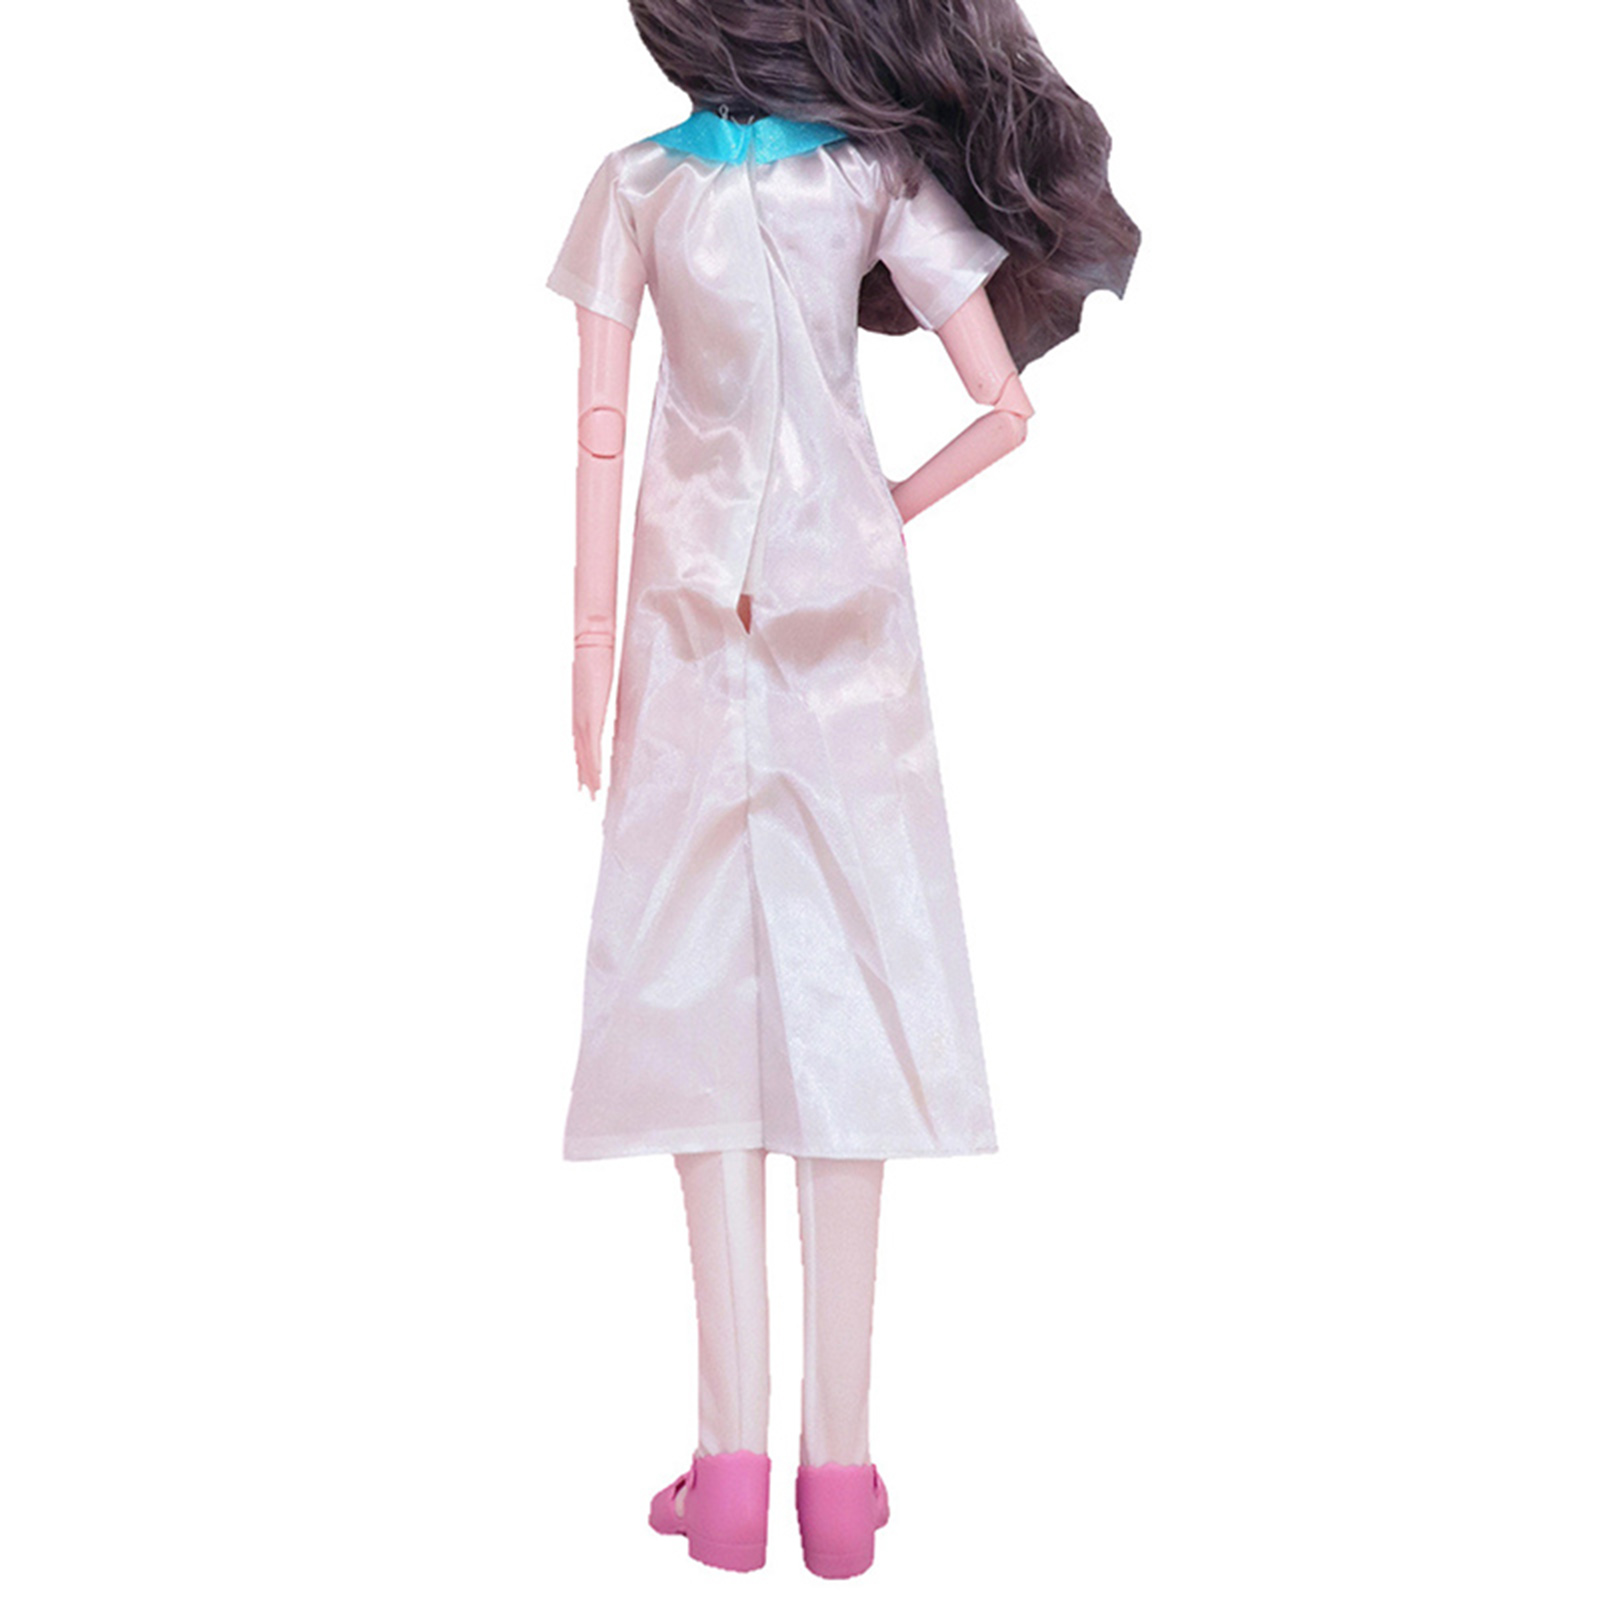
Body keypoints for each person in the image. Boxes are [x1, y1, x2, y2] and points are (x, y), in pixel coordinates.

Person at [544, 0, 1139, 1577]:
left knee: (690, 990)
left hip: (684, 614)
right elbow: (1007, 412)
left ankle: (729, 1466)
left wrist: (588, 651)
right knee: (854, 982)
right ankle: (840, 1473)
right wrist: (881, 508)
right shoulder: (872, 178)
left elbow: (599, 436)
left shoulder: (635, 186)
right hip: (843, 615)